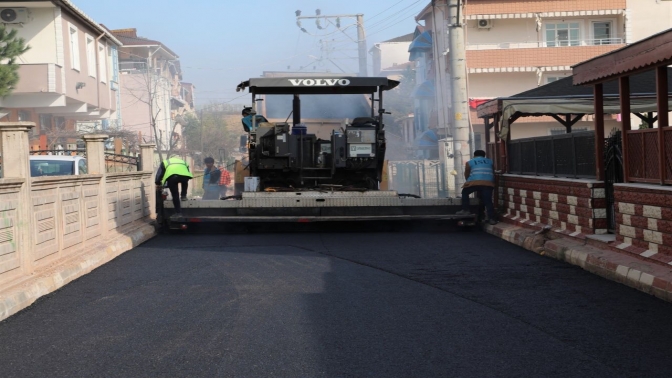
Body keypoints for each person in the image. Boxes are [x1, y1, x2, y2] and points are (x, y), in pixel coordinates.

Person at [456, 149, 498, 225]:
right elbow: (492, 172)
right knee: (488, 200)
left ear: (474, 155)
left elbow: (467, 174)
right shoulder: (490, 161)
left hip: (474, 182)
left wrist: (468, 183)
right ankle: (491, 219)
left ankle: (466, 210)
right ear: (484, 156)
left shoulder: (470, 162)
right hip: (488, 183)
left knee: (465, 192)